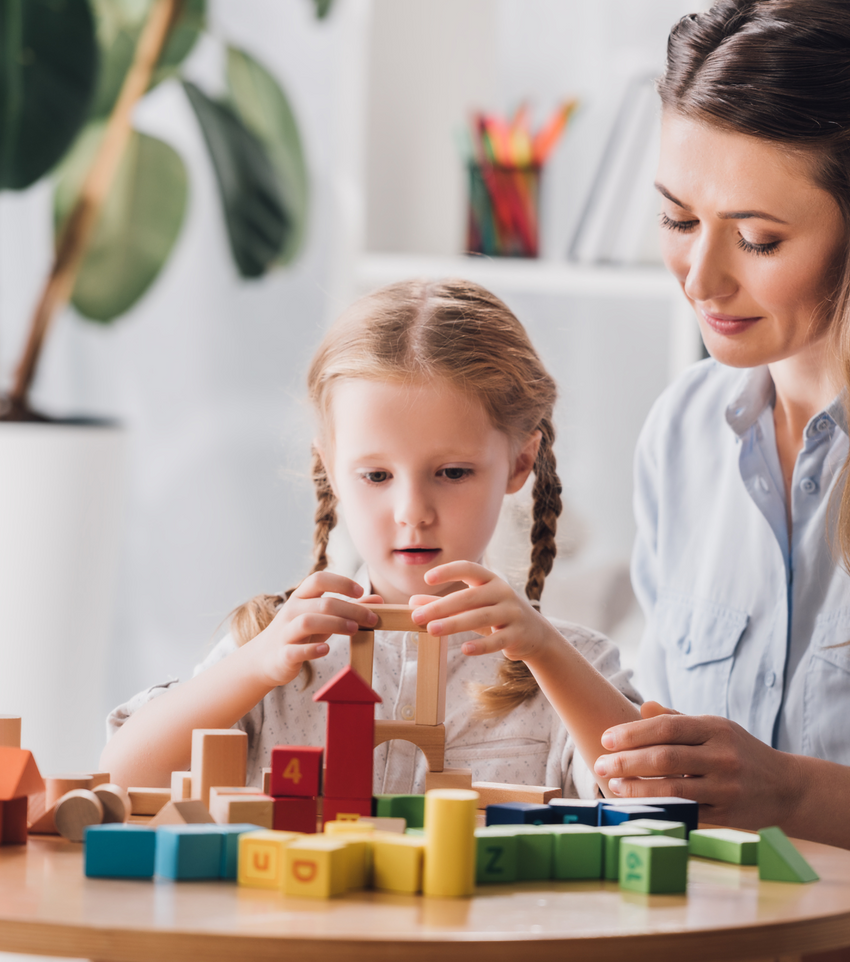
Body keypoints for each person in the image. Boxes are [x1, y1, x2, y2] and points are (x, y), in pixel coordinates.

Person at [413, 0, 850, 961]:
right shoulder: (685, 431)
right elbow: (666, 770)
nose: (700, 276)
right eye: (677, 219)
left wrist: (790, 791)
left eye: (758, 237)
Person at [100, 278, 639, 798]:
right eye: (377, 476)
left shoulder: (571, 665)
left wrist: (544, 651)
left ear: (520, 462)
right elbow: (123, 777)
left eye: (452, 473)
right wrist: (257, 665)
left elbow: (649, 795)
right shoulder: (275, 648)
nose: (413, 512)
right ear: (330, 468)